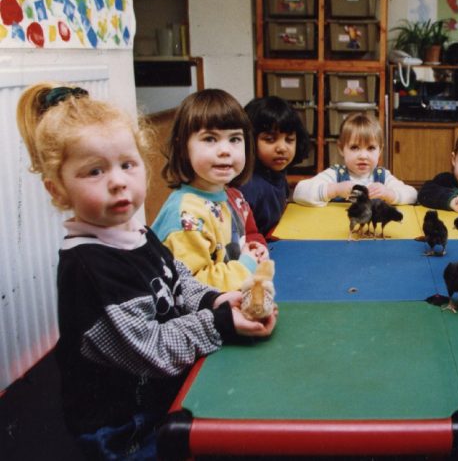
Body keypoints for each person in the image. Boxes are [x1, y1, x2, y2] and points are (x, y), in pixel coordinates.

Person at [15, 82, 277, 460]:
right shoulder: (90, 266)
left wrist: (217, 297)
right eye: (94, 171)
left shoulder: (135, 232)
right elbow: (151, 348)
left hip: (158, 401)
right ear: (57, 190)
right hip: (121, 428)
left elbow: (178, 278)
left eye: (127, 164)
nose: (118, 180)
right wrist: (221, 322)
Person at [152, 89, 269, 292]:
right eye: (210, 139)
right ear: (183, 148)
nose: (225, 150)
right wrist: (246, 266)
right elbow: (192, 288)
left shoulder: (231, 195)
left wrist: (252, 248)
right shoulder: (186, 216)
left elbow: (238, 242)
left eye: (234, 139)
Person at [293, 112, 417, 206]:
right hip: (336, 235)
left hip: (372, 236)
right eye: (354, 148)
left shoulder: (382, 176)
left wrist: (389, 194)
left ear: (380, 151)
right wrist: (334, 190)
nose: (363, 156)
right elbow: (299, 192)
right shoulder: (335, 174)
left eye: (371, 148)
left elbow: (413, 194)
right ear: (341, 148)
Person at [238, 95, 311, 238]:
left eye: (289, 140)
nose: (282, 148)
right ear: (250, 140)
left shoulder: (277, 173)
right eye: (270, 139)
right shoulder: (248, 187)